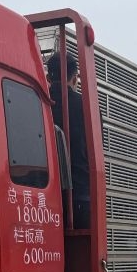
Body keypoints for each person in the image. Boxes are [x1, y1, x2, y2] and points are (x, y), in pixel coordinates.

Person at [46, 51, 91, 229]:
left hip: (43, 196)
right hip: (79, 198)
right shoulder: (86, 106)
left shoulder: (37, 100)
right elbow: (95, 152)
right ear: (74, 78)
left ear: (48, 78)